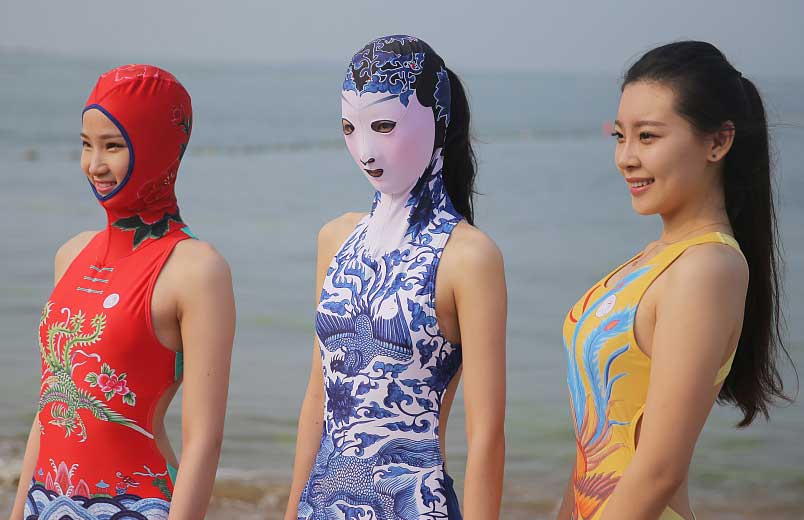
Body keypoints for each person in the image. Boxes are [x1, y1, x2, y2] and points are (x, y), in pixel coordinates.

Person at [557, 41, 791, 520]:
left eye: (647, 137)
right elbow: (594, 447)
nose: (625, 158)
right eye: (620, 136)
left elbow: (659, 470)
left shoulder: (706, 269)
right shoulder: (653, 261)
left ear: (718, 142)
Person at [284, 35, 507, 520]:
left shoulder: (469, 257)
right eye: (350, 128)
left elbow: (486, 435)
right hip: (321, 506)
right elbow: (318, 397)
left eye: (383, 126)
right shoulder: (335, 238)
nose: (365, 150)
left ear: (436, 120)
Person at [10, 64, 235, 520]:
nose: (94, 165)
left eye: (113, 146)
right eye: (86, 144)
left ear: (156, 146)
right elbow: (50, 407)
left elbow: (204, 441)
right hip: (45, 503)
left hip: (135, 507)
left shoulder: (196, 269)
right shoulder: (70, 254)